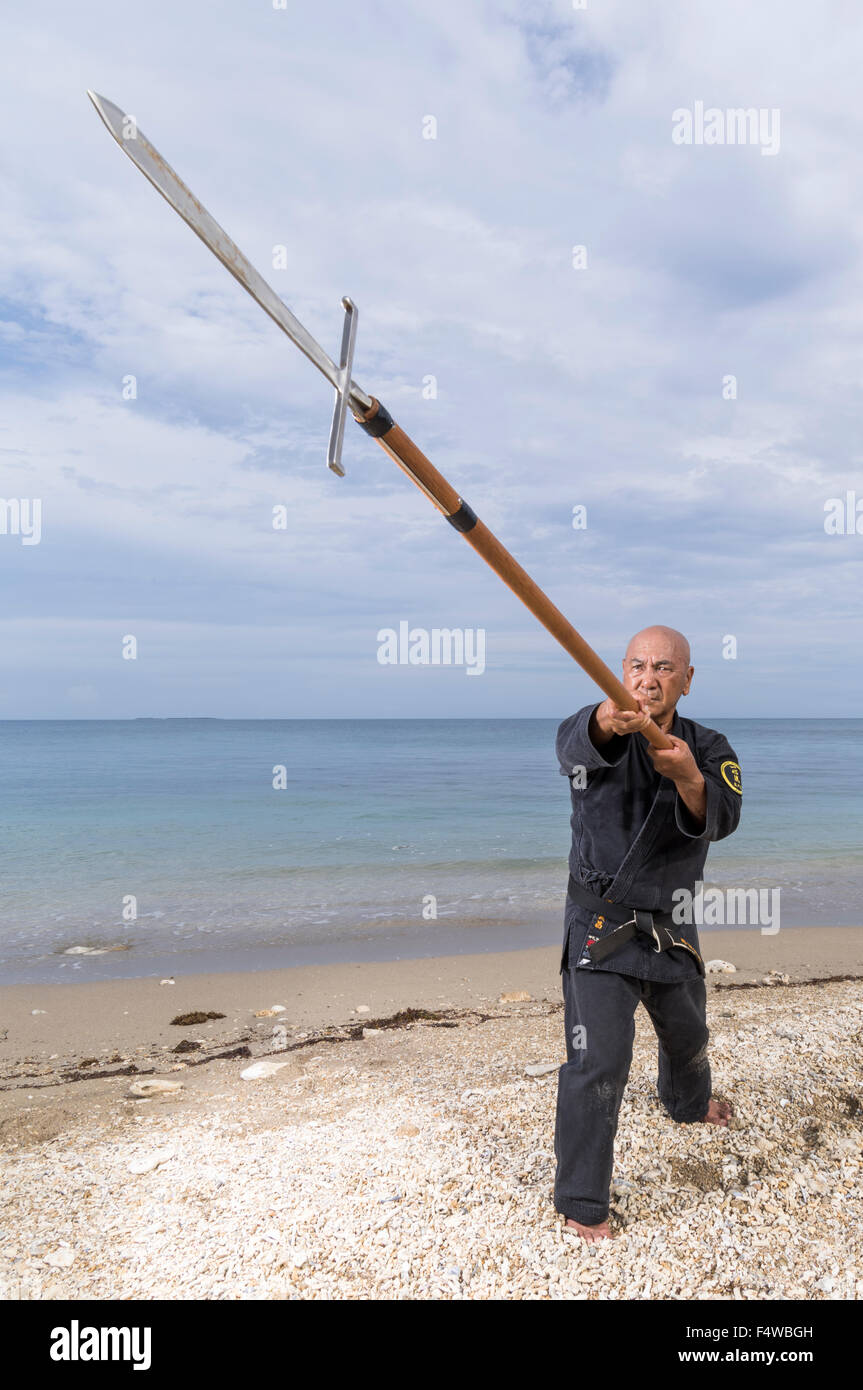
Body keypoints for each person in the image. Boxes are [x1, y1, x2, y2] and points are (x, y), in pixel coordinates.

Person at [553, 625, 742, 1241]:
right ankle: (582, 1202)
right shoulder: (595, 726)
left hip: (670, 926)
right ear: (621, 672)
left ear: (687, 681)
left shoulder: (709, 746)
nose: (648, 678)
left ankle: (688, 1105)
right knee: (599, 1059)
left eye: (664, 668)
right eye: (637, 666)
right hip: (600, 928)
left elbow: (724, 816)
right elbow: (572, 751)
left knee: (689, 1036)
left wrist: (688, 776)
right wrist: (609, 718)